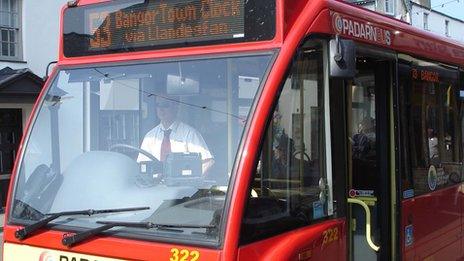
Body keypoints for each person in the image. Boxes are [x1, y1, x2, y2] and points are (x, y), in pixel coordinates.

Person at [137, 95, 214, 175]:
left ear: (176, 107)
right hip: (155, 186)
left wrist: (190, 181)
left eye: (165, 105)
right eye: (158, 105)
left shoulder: (189, 134)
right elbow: (141, 164)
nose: (160, 109)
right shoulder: (150, 137)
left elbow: (208, 162)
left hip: (181, 186)